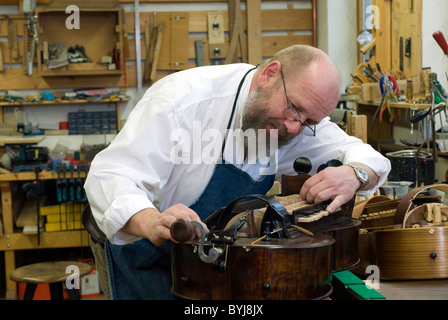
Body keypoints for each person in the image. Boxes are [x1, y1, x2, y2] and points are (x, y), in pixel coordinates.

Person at [84, 45, 391, 299]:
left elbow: (368, 157)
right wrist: (150, 220)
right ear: (270, 74)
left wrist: (356, 175)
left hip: (207, 257)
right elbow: (111, 176)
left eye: (308, 122)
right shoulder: (183, 101)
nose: (293, 127)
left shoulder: (297, 121)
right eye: (294, 109)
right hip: (140, 244)